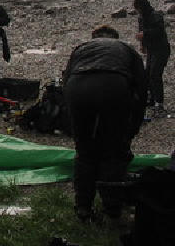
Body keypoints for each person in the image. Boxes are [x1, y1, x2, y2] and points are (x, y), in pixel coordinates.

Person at [62, 25, 147, 221]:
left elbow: (66, 80)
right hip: (113, 85)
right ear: (115, 37)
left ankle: (83, 206)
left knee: (84, 151)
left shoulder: (81, 47)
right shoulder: (126, 48)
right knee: (113, 149)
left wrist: (73, 121)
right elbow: (142, 88)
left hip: (78, 86)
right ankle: (112, 206)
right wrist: (133, 126)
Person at [133, 0, 171, 117]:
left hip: (161, 49)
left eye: (138, 8)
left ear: (141, 7)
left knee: (155, 74)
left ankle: (159, 102)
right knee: (148, 73)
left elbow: (159, 31)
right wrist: (142, 45)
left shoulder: (156, 16)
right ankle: (152, 98)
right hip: (151, 49)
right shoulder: (141, 18)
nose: (137, 11)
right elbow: (141, 31)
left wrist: (145, 34)